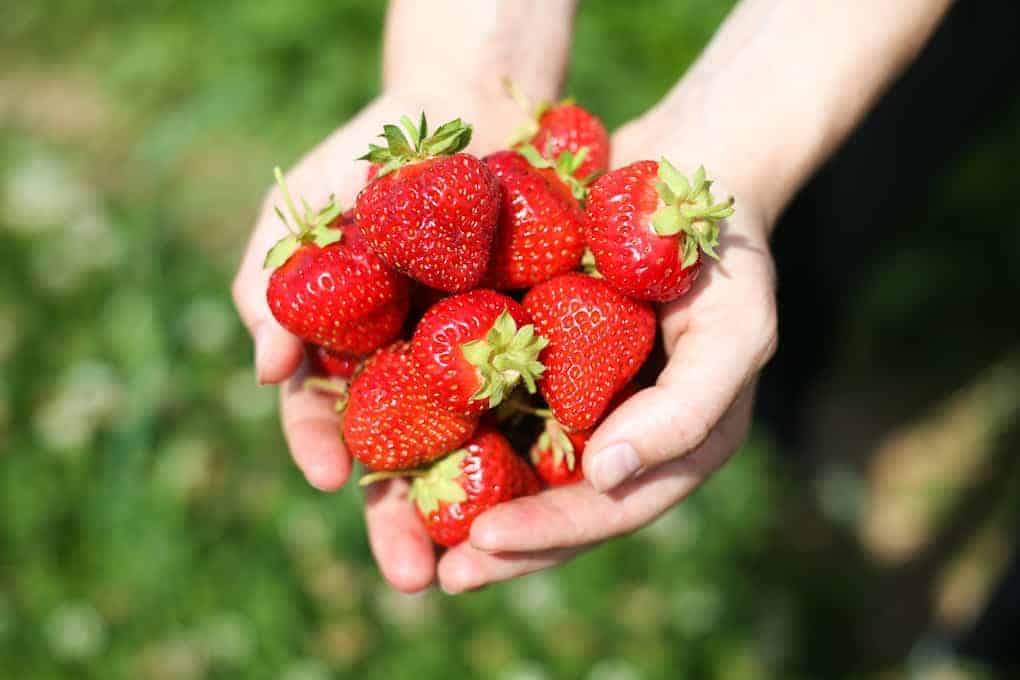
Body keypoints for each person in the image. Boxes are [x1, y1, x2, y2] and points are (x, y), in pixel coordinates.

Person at [231, 0, 952, 594]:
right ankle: (793, 409)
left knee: (881, 168)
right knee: (838, 229)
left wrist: (741, 153)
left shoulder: (496, 286)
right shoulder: (468, 273)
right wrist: (468, 65)